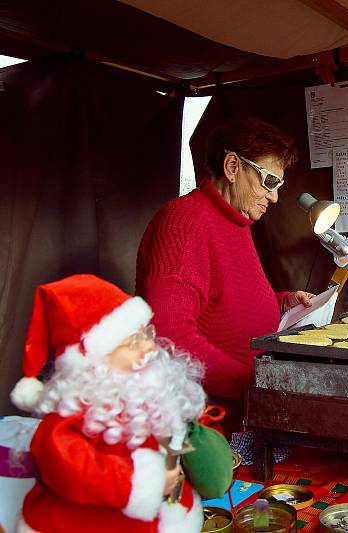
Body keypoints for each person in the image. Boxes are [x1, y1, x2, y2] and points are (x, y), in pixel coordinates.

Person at [136, 116, 314, 432]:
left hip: (243, 412)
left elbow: (221, 298)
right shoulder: (185, 221)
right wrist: (252, 384)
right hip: (207, 422)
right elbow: (169, 334)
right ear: (233, 167)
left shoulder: (236, 221)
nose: (274, 197)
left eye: (279, 186)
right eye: (269, 182)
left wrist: (281, 303)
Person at [10, 274, 207, 533]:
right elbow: (78, 475)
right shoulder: (62, 426)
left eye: (147, 333)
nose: (149, 346)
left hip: (157, 513)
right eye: (132, 342)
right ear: (95, 363)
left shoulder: (140, 395)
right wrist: (148, 483)